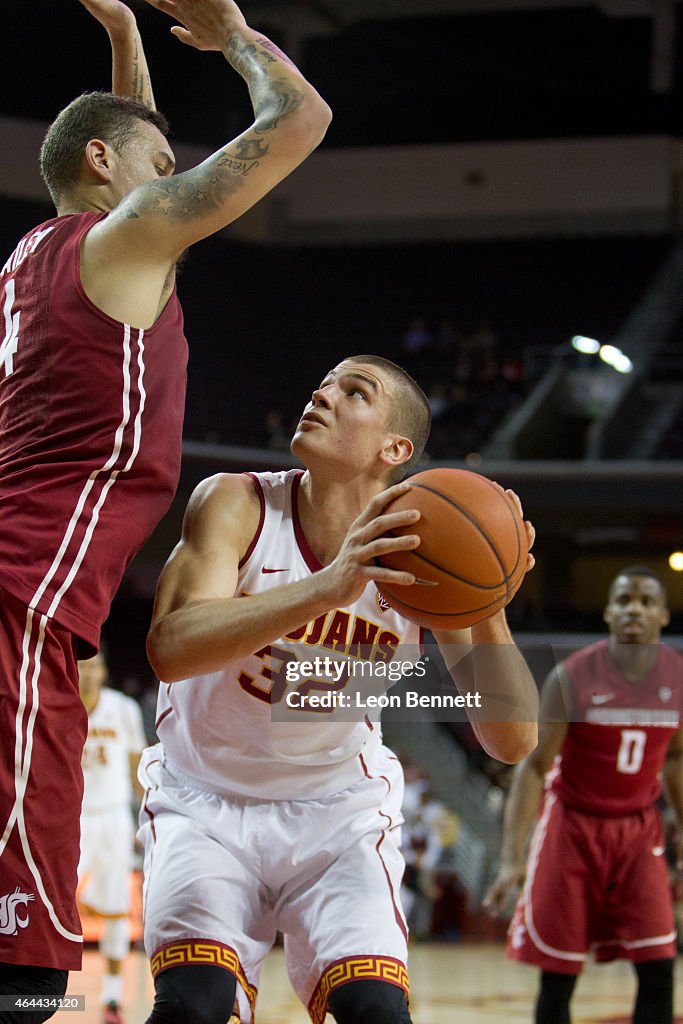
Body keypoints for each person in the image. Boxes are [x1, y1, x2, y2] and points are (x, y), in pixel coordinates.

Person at [0, 0, 331, 1013]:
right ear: (104, 165)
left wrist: (125, 41)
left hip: (33, 565)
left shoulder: (40, 251)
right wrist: (233, 34)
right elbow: (300, 121)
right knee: (18, 853)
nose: (175, 180)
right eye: (159, 161)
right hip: (22, 580)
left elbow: (122, 143)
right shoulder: (127, 234)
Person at [138, 353, 539, 1024]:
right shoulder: (237, 502)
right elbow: (170, 650)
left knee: (376, 1011)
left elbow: (511, 741)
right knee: (192, 1006)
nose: (321, 396)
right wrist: (329, 586)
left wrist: (488, 600)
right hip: (203, 804)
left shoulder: (422, 551)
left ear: (395, 448)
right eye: (321, 383)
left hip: (336, 815)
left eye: (353, 392)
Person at [484, 566, 683, 1024]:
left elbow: (674, 759)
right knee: (559, 973)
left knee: (658, 965)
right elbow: (533, 769)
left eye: (646, 601)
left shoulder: (677, 679)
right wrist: (513, 859)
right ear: (609, 611)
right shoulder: (571, 677)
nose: (635, 608)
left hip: (637, 830)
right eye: (624, 599)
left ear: (664, 616)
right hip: (572, 827)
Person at [77, 646, 147, 1024]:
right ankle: (23, 994)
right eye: (82, 668)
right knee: (37, 907)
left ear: (103, 672)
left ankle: (112, 999)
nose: (89, 674)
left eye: (95, 667)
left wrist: (146, 819)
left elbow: (138, 769)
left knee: (118, 908)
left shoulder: (123, 709)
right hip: (69, 822)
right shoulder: (58, 703)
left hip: (113, 819)